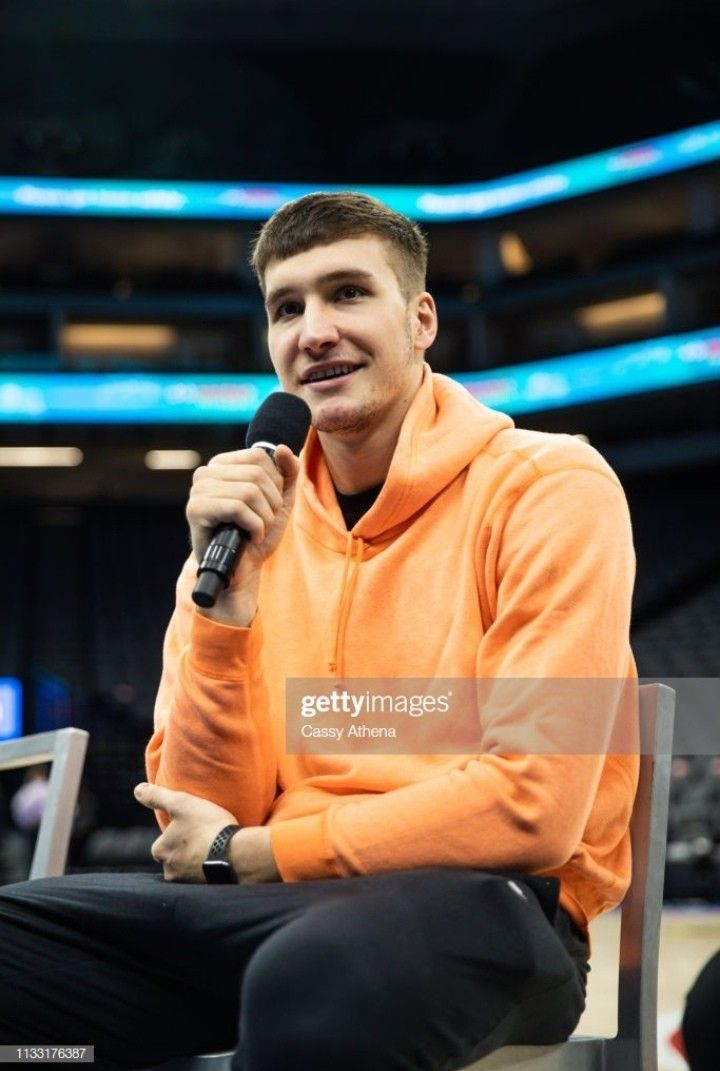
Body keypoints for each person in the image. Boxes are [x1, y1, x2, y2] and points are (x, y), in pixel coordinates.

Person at [0, 192, 638, 1071]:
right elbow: (199, 816)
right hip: (258, 906)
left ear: (421, 319)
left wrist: (253, 853)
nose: (315, 329)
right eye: (287, 307)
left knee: (310, 983)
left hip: (484, 909)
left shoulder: (550, 487)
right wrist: (223, 616)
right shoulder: (239, 541)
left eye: (348, 293)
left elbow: (532, 805)